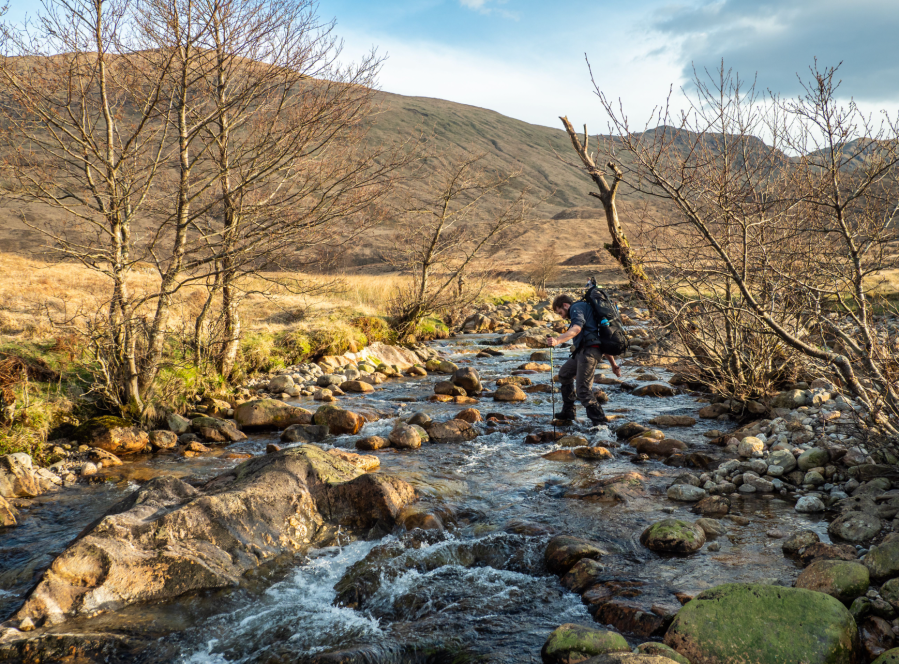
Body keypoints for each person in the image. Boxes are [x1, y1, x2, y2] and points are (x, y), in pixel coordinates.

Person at [547, 293, 621, 426]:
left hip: (588, 353)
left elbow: (576, 329)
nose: (562, 316)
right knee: (564, 374)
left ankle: (601, 424)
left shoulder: (576, 308)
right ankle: (568, 411)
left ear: (565, 305)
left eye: (560, 312)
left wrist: (557, 340)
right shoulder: (585, 309)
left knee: (583, 390)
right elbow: (600, 340)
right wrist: (613, 364)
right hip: (584, 351)